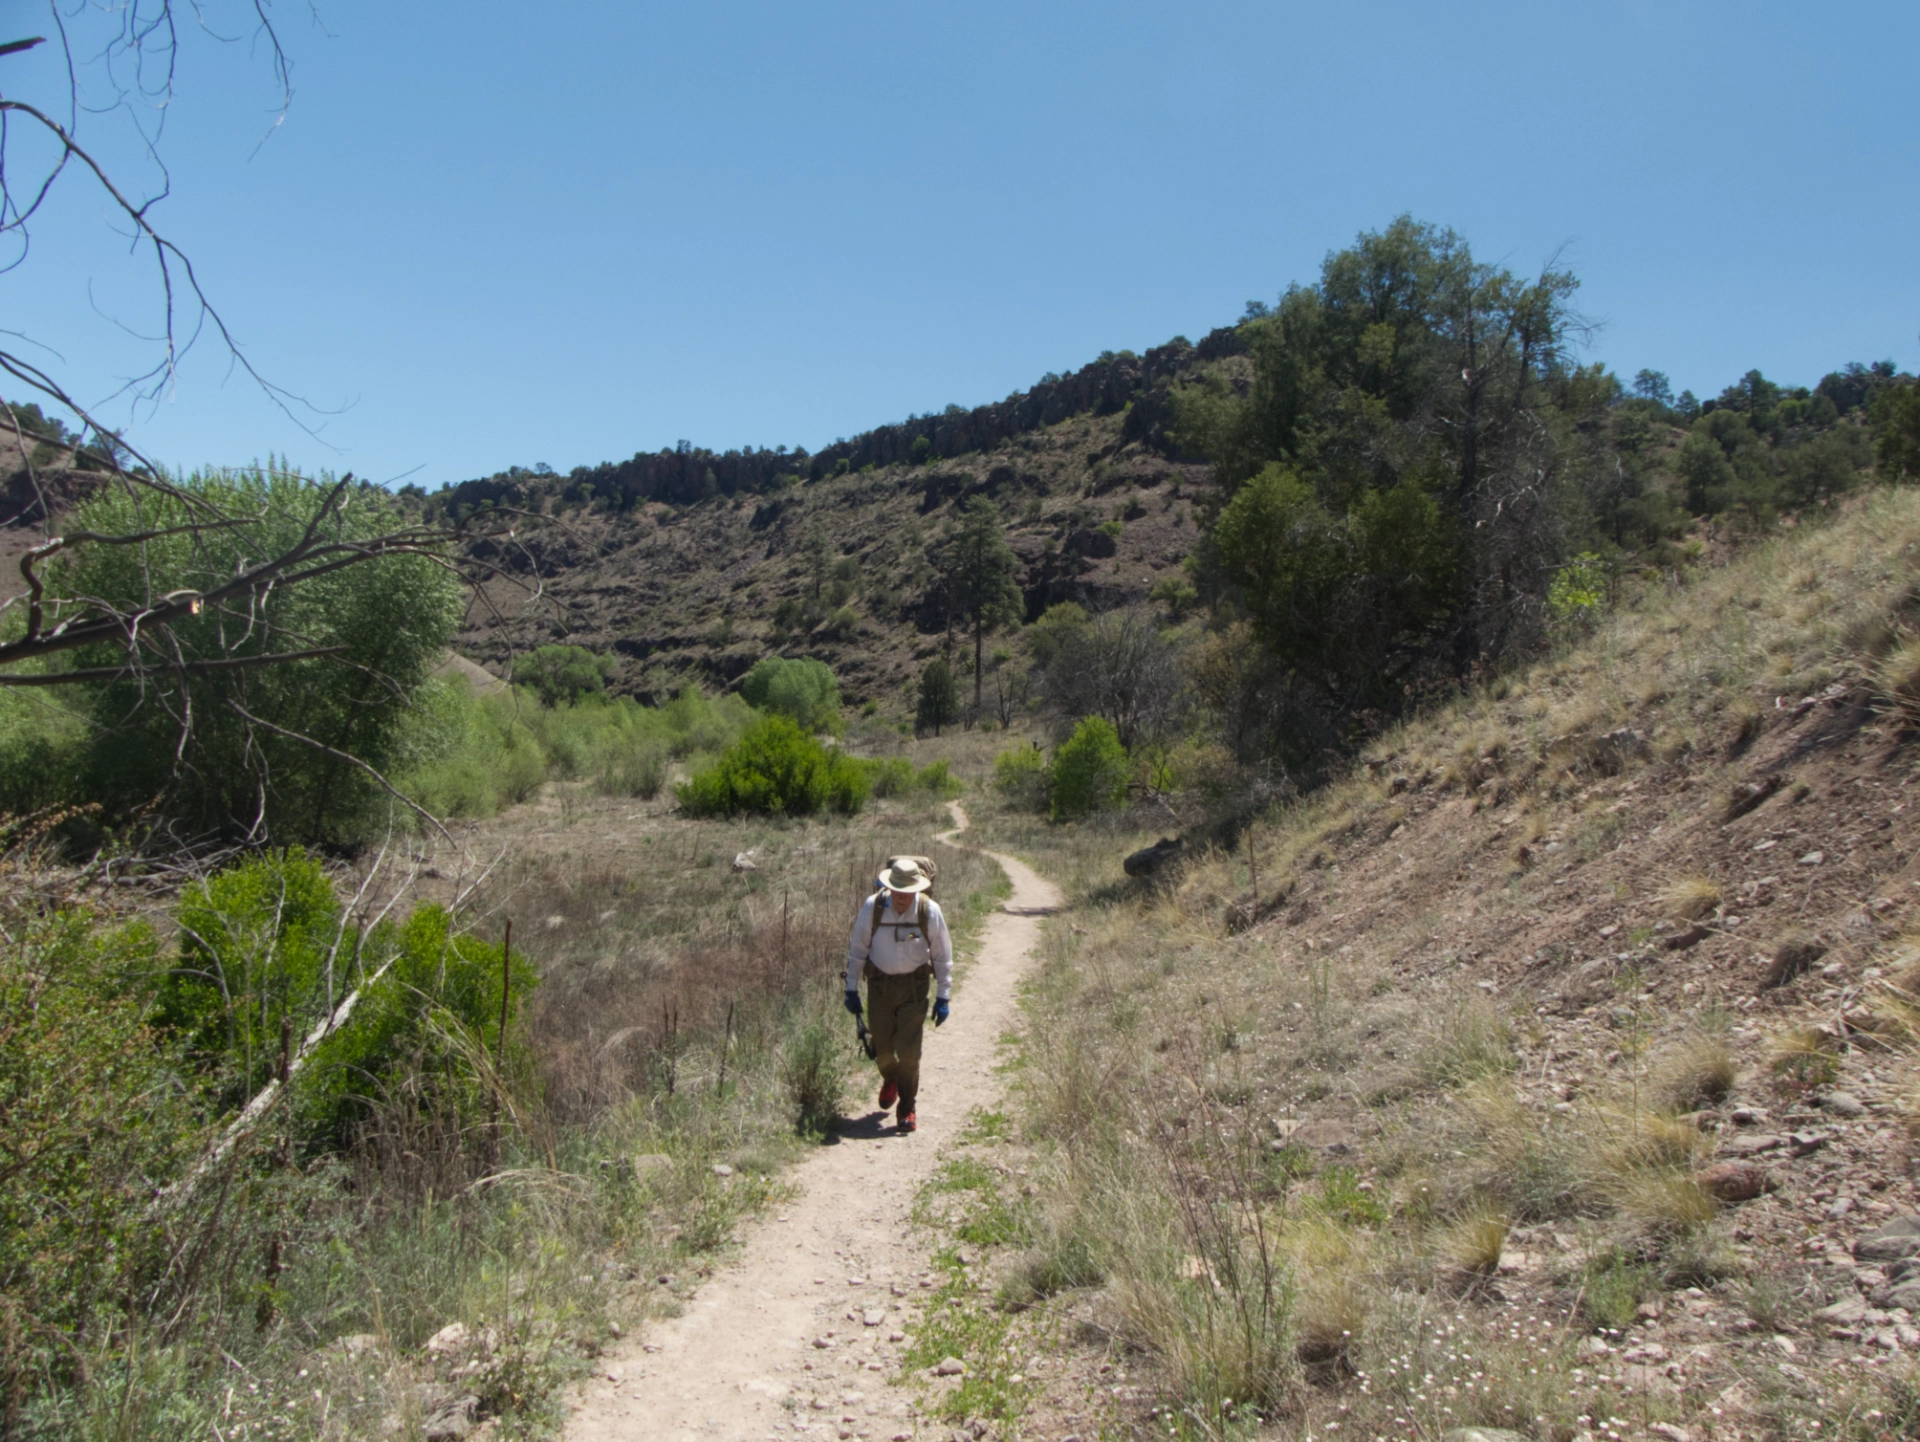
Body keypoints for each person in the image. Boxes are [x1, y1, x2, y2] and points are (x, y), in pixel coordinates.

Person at [844, 856, 951, 1133]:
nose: (902, 898)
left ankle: (907, 1107)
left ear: (918, 889)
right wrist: (852, 988)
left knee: (910, 1053)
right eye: (897, 891)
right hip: (879, 987)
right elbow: (858, 949)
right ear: (889, 887)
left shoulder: (930, 912)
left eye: (908, 892)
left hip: (914, 989)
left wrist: (943, 996)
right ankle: (891, 1079)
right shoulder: (874, 908)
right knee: (882, 1052)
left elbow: (942, 956)